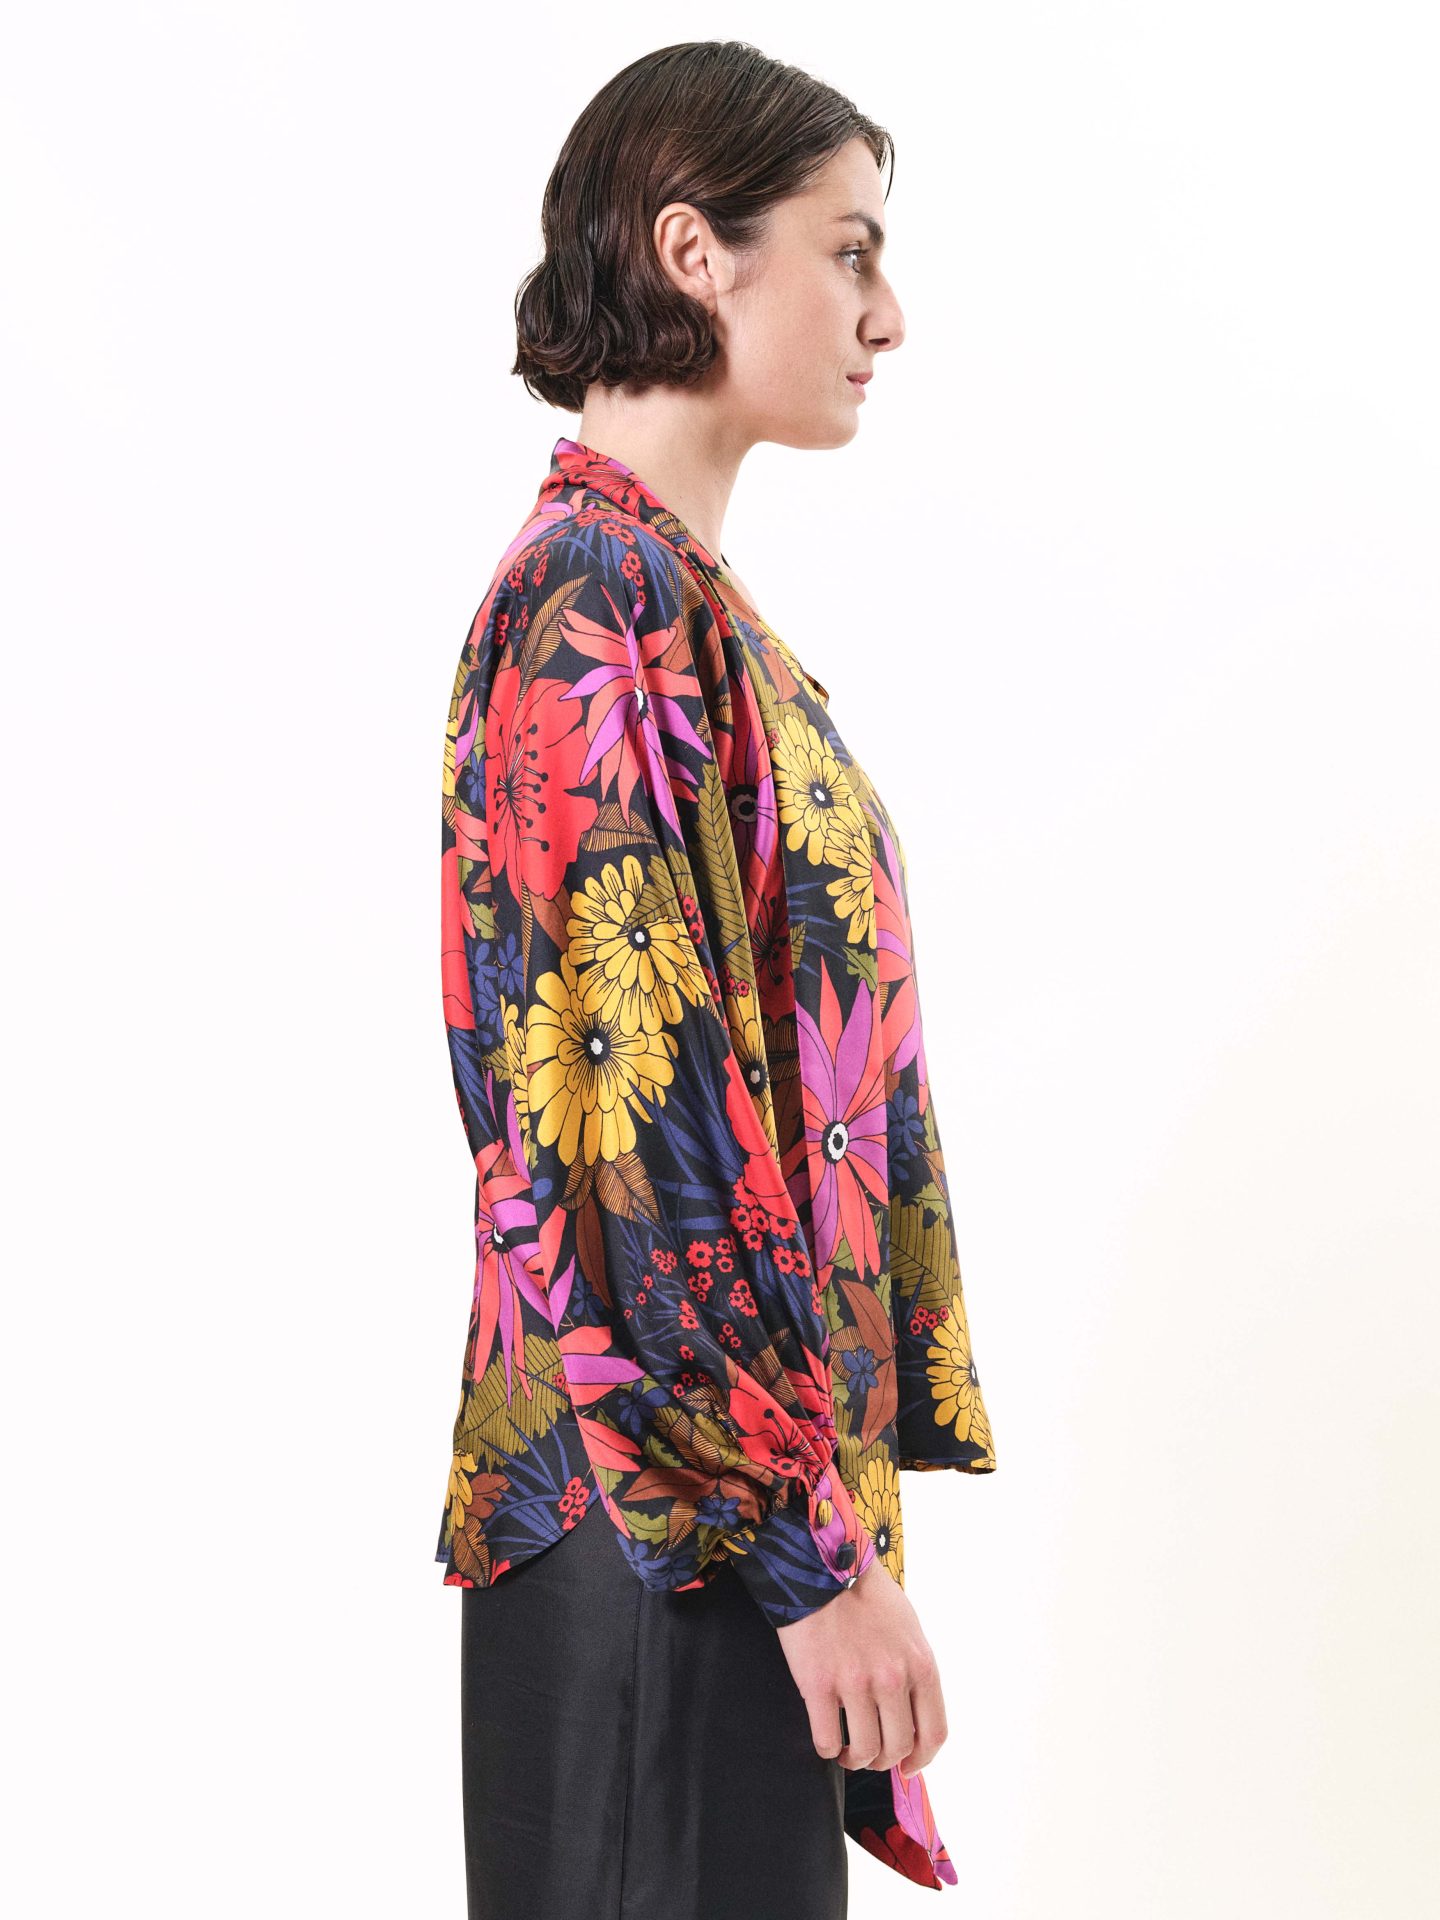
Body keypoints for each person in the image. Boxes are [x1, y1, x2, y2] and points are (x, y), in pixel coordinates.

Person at [435, 39, 997, 1920]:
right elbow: (622, 1129)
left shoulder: (673, 599)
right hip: (664, 1524)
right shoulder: (597, 603)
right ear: (696, 251)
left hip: (703, 1521)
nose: (886, 315)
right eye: (850, 250)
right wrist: (806, 1554)